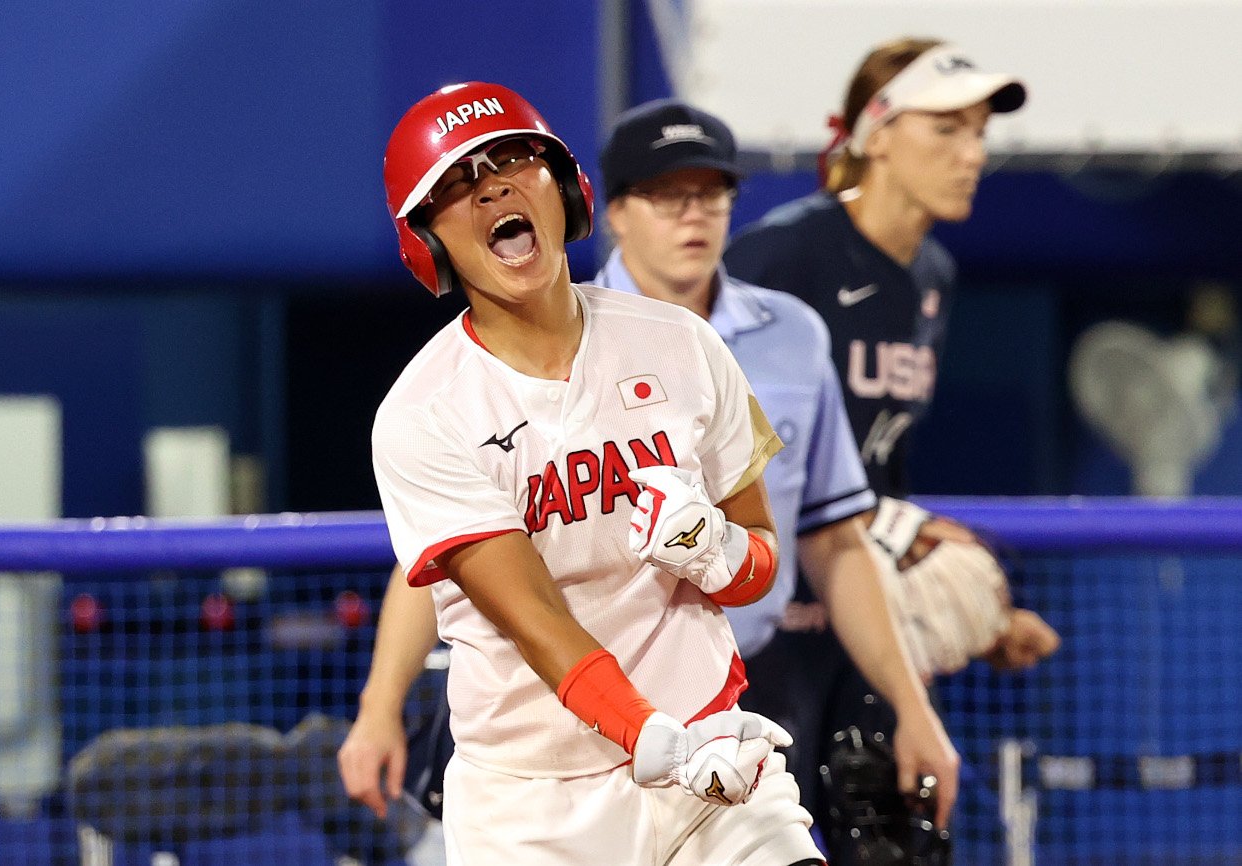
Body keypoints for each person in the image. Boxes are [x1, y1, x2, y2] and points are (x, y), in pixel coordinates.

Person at [340, 92, 960, 864]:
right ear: (426, 239)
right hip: (534, 804)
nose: (495, 187)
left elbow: (763, 562)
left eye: (513, 160)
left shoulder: (684, 346)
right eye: (460, 182)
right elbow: (537, 620)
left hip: (710, 762)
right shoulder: (424, 412)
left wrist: (717, 549)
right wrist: (653, 739)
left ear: (564, 190)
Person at [724, 38, 1062, 860]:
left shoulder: (933, 274)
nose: (972, 153)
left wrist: (975, 609)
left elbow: (880, 471)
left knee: (896, 835)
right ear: (875, 134)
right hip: (756, 629)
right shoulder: (779, 257)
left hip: (852, 615)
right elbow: (713, 449)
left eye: (979, 131)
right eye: (945, 129)